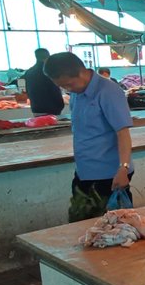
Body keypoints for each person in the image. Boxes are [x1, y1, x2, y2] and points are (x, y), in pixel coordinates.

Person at [44, 52, 134, 219]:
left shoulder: (108, 92)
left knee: (113, 229)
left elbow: (123, 133)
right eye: (63, 87)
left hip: (109, 175)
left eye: (69, 84)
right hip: (85, 171)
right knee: (83, 225)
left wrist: (123, 168)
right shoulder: (76, 94)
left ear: (81, 72)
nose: (68, 89)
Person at [24, 48, 65, 115]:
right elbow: (54, 89)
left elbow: (28, 91)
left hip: (36, 107)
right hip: (52, 107)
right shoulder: (49, 70)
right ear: (48, 56)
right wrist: (60, 105)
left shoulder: (29, 71)